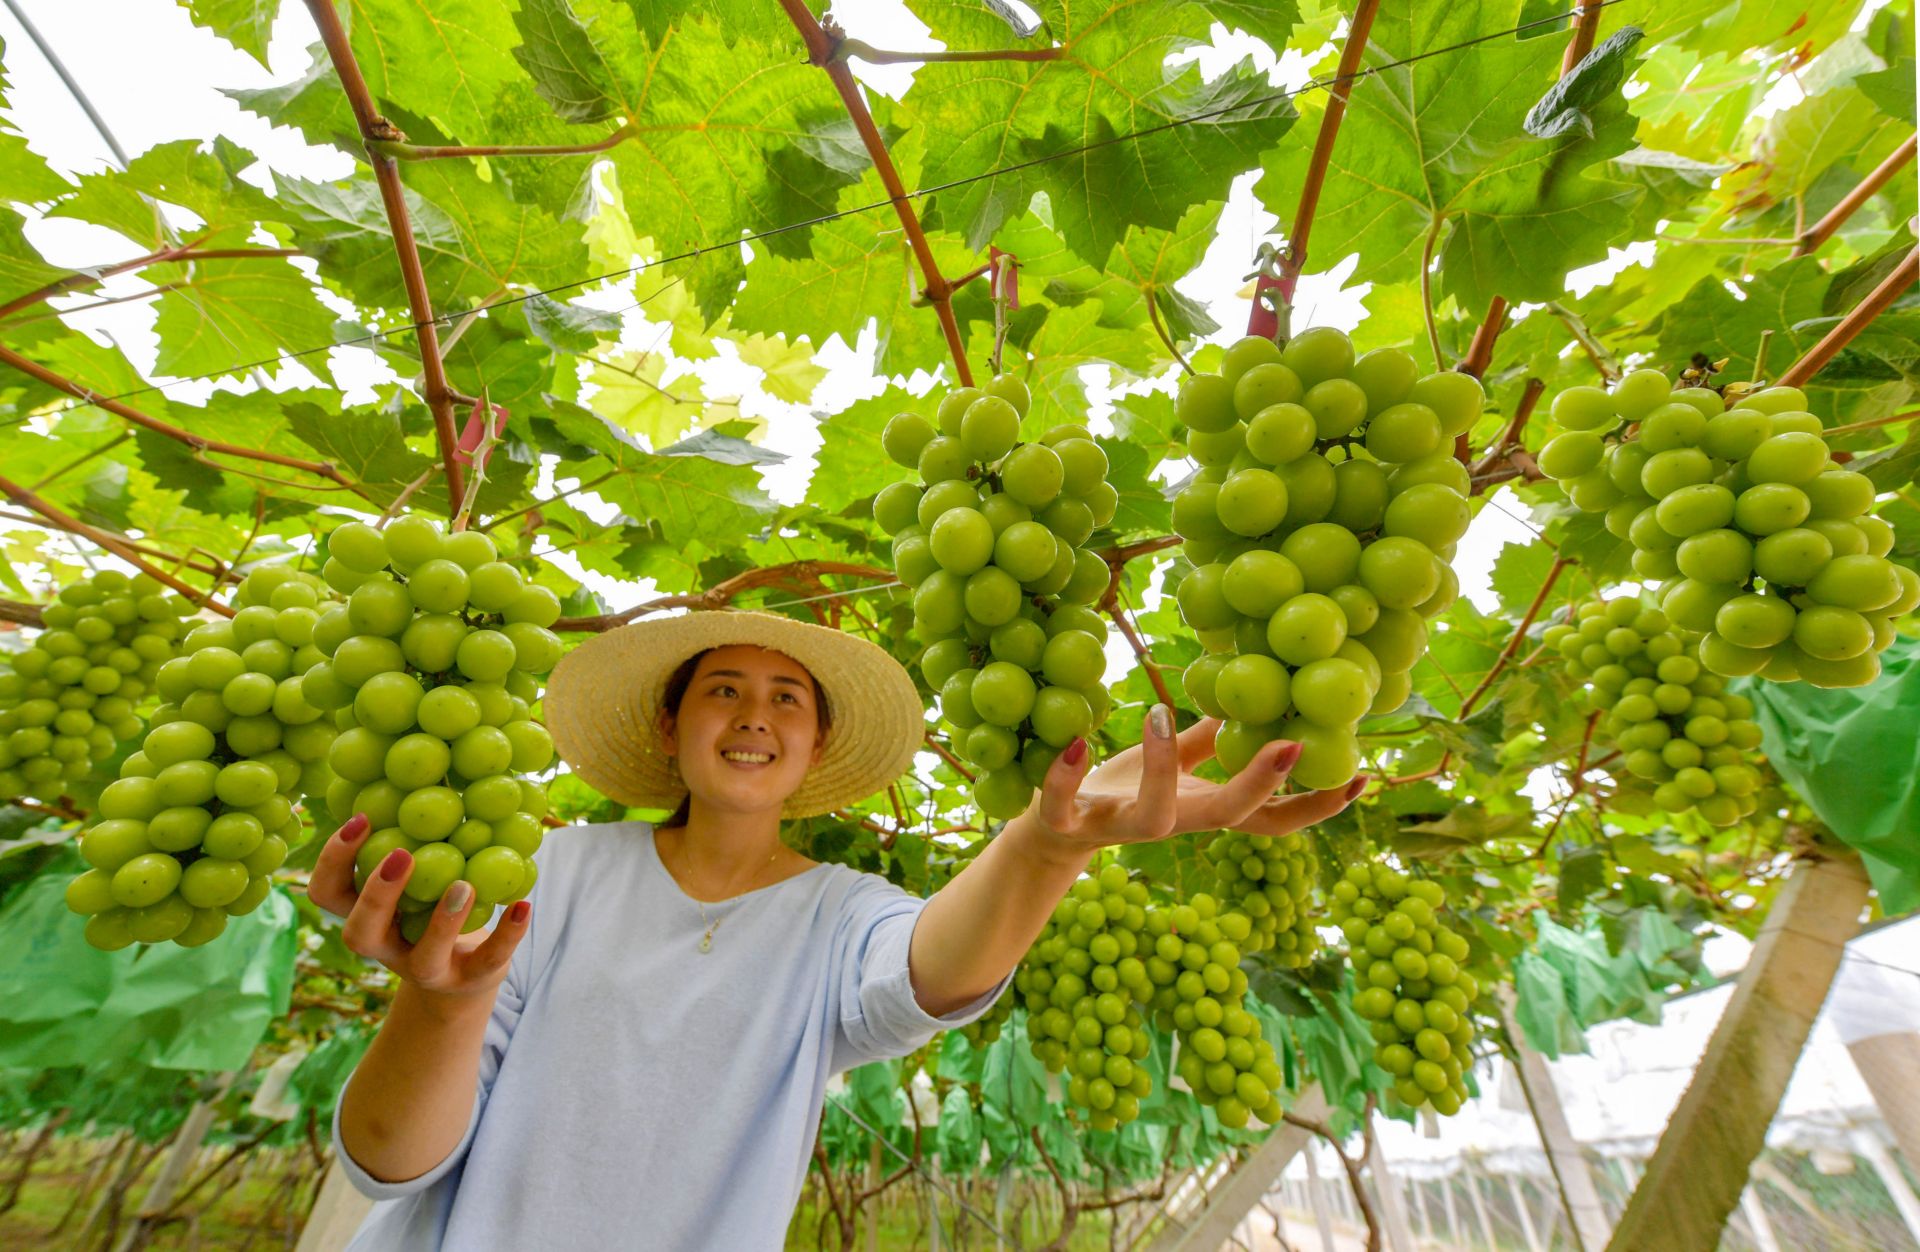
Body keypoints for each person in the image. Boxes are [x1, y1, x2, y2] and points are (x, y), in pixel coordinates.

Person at [307, 611, 1363, 1249]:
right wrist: (443, 1003)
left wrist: (1045, 845)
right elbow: (388, 1163)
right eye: (723, 690)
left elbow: (930, 971)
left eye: (788, 700)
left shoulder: (841, 913)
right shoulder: (552, 872)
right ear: (671, 727)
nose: (755, 716)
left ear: (813, 747)